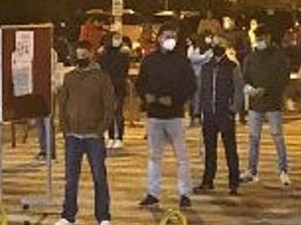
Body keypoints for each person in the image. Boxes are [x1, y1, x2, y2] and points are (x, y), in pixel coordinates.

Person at [53, 42, 116, 225]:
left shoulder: (101, 78)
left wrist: (100, 129)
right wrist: (65, 128)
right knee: (71, 178)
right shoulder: (70, 77)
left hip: (93, 136)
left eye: (84, 55)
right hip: (73, 136)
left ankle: (103, 216)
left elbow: (109, 105)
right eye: (78, 55)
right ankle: (68, 215)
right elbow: (62, 103)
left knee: (99, 176)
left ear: (91, 55)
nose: (80, 59)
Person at [135, 26, 196, 209]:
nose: (170, 39)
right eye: (167, 36)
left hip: (175, 115)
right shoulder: (150, 60)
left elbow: (191, 86)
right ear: (159, 38)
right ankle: (153, 193)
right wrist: (146, 97)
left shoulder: (181, 61)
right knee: (154, 156)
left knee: (182, 157)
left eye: (173, 36)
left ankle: (185, 193)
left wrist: (175, 99)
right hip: (155, 115)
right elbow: (141, 83)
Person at [241, 29, 291, 187]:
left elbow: (283, 79)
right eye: (257, 38)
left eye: (262, 38)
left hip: (272, 103)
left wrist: (267, 90)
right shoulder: (251, 57)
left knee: (277, 137)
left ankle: (283, 170)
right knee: (253, 138)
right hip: (255, 104)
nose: (259, 41)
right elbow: (245, 77)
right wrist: (250, 89)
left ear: (269, 37)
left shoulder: (278, 57)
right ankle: (251, 170)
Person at [197, 42, 244, 195]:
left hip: (225, 113)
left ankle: (234, 181)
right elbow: (200, 90)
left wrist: (233, 109)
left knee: (230, 149)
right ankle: (208, 180)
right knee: (210, 150)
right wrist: (198, 111)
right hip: (209, 113)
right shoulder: (206, 67)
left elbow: (238, 90)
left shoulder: (232, 66)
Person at [100, 32, 132, 149]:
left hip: (119, 85)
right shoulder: (104, 54)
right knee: (108, 112)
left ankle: (119, 137)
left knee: (118, 111)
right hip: (107, 86)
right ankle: (111, 136)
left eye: (119, 38)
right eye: (115, 38)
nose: (117, 41)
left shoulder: (124, 53)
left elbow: (125, 69)